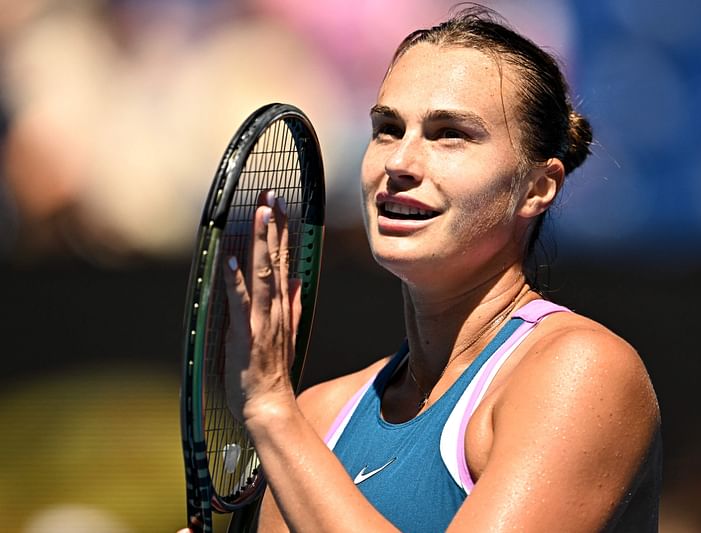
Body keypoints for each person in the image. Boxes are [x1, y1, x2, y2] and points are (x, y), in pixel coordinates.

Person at [183, 6, 661, 532]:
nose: (399, 162)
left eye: (450, 133)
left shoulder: (583, 372)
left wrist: (273, 413)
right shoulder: (318, 417)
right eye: (387, 129)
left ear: (537, 187)